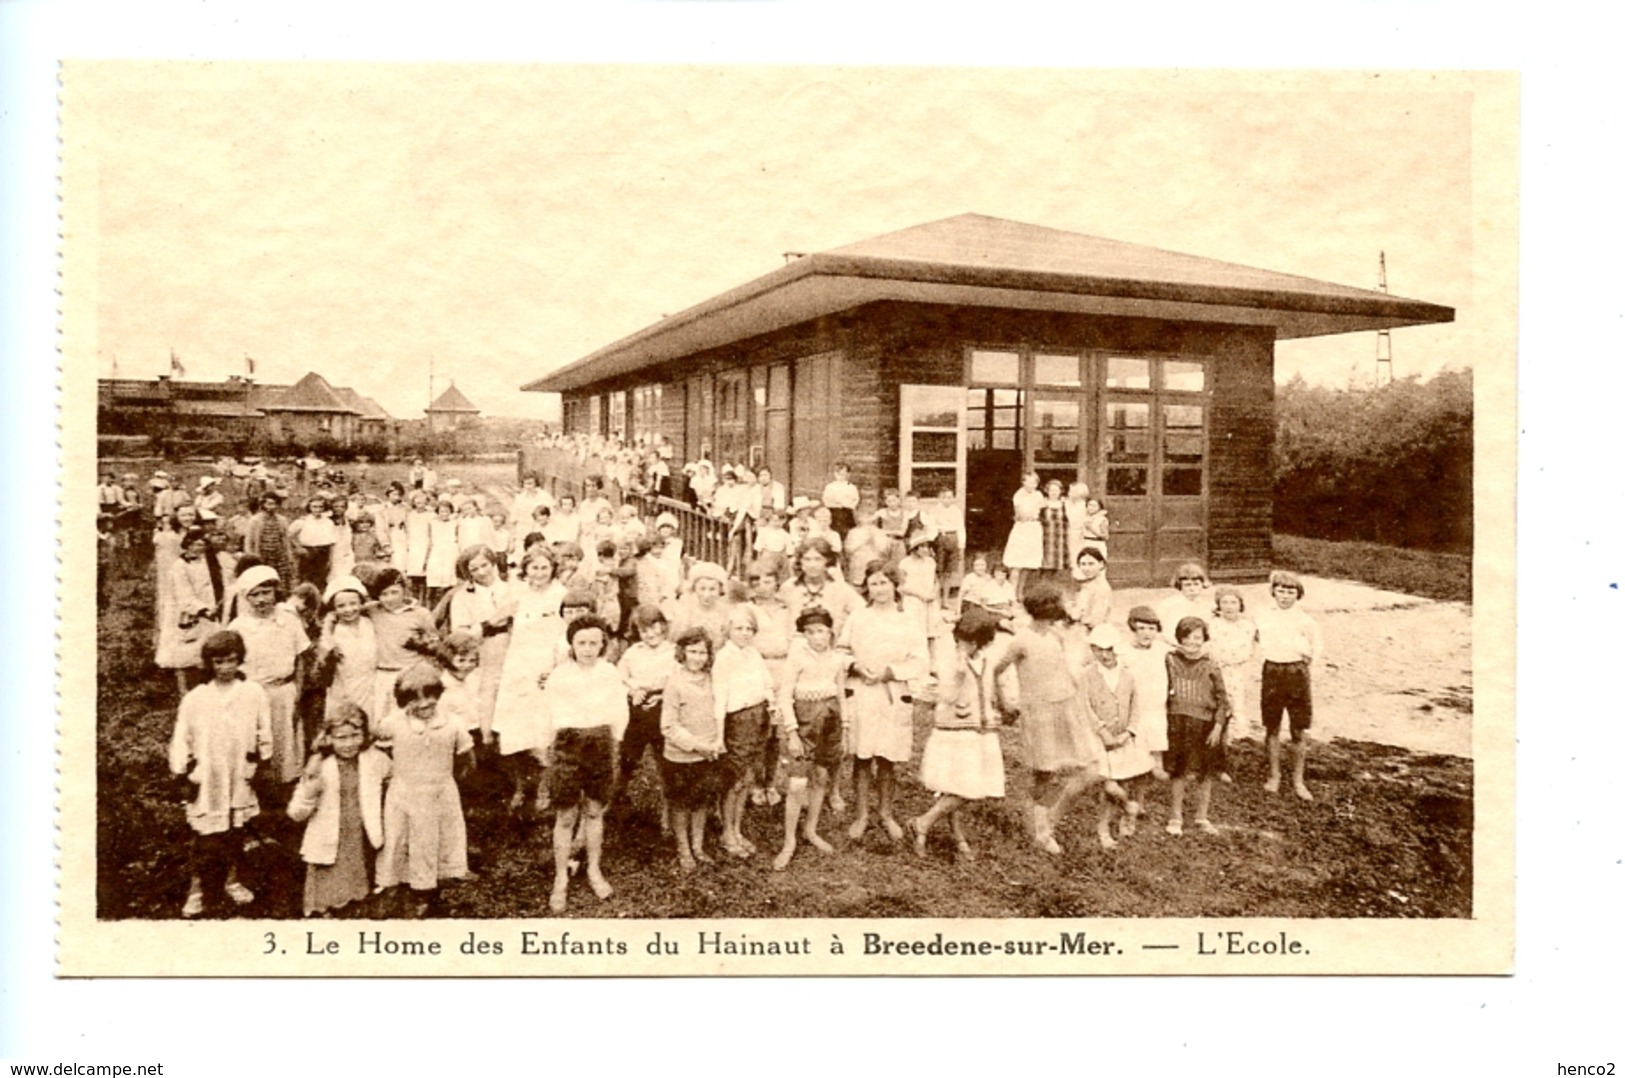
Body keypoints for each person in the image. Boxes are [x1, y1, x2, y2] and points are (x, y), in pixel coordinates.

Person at [169, 630, 273, 917]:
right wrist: (184, 772)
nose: (226, 668)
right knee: (205, 838)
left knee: (236, 832)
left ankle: (232, 879)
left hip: (240, 775)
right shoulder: (196, 698)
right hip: (208, 777)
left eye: (231, 660)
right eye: (219, 662)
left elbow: (264, 730)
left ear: (239, 660)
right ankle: (197, 889)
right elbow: (182, 737)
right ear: (209, 664)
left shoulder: (253, 693)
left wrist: (258, 763)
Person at [992, 584, 1103, 855]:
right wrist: (1005, 703)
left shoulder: (1057, 635)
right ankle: (1041, 830)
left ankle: (1051, 818)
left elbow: (1064, 671)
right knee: (1046, 774)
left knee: (1091, 771)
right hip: (1039, 712)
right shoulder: (1021, 640)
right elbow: (996, 670)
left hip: (1066, 707)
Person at [542, 614, 629, 912]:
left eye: (594, 643)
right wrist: (548, 746)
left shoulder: (609, 673)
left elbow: (620, 710)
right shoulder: (559, 676)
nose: (588, 649)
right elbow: (547, 713)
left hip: (601, 744)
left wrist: (614, 741)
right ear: (572, 644)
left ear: (603, 644)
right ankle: (560, 879)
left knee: (594, 811)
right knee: (566, 815)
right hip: (568, 745)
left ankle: (593, 869)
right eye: (582, 643)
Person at [839, 561, 930, 843]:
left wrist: (890, 672)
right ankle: (862, 814)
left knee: (887, 757)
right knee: (863, 756)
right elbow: (841, 651)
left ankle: (886, 812)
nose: (878, 589)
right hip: (863, 692)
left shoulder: (908, 619)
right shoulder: (858, 617)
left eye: (884, 583)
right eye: (873, 583)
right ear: (866, 586)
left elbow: (920, 660)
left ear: (895, 585)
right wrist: (855, 666)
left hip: (892, 693)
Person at [375, 663, 475, 917]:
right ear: (402, 702)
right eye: (414, 700)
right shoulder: (393, 724)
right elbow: (379, 749)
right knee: (397, 838)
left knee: (431, 841)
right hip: (404, 792)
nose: (423, 705)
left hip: (439, 792)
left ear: (439, 695)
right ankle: (391, 885)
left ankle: (424, 890)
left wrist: (447, 781)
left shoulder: (451, 723)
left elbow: (467, 756)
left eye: (430, 698)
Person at [909, 607, 1005, 861]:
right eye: (962, 640)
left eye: (972, 642)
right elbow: (946, 697)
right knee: (963, 786)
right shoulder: (949, 662)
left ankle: (954, 831)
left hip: (980, 730)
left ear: (982, 642)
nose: (966, 646)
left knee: (964, 784)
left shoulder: (986, 661)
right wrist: (957, 675)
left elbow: (989, 690)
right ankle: (923, 823)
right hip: (954, 730)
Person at [287, 706, 390, 917]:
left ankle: (356, 907)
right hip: (330, 835)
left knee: (360, 883)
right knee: (329, 889)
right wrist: (309, 793)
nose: (349, 743)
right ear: (328, 738)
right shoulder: (320, 766)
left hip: (361, 835)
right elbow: (295, 813)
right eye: (341, 737)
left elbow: (395, 777)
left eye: (355, 736)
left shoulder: (375, 759)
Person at [490, 547, 567, 818]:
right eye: (534, 567)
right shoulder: (517, 594)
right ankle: (521, 787)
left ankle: (545, 788)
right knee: (514, 731)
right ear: (526, 570)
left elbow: (565, 633)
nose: (539, 573)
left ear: (553, 569)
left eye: (544, 567)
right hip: (517, 667)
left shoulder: (560, 595)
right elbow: (494, 620)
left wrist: (557, 667)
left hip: (546, 668)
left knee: (543, 732)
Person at [771, 606, 846, 869]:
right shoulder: (796, 658)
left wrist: (844, 727)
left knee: (821, 777)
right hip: (803, 724)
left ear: (830, 632)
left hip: (830, 722)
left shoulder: (837, 658)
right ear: (803, 635)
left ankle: (810, 829)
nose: (816, 637)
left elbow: (839, 692)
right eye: (810, 632)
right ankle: (789, 840)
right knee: (797, 784)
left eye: (821, 631)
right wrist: (791, 733)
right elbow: (784, 696)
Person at [227, 565, 312, 789]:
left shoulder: (289, 620)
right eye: (255, 595)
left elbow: (301, 658)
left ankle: (285, 786)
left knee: (285, 739)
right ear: (246, 598)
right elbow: (232, 665)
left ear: (276, 592)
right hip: (253, 692)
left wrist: (298, 694)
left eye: (266, 593)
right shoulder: (239, 626)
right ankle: (255, 786)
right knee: (255, 739)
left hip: (284, 691)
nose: (262, 600)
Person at [1078, 624, 1152, 849]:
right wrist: (1102, 732)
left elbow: (1137, 705)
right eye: (1099, 649)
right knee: (1109, 785)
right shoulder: (1087, 676)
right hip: (1099, 740)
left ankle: (1121, 819)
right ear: (1092, 650)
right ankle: (1126, 807)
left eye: (1109, 649)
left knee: (1123, 779)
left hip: (1123, 738)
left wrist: (1129, 732)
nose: (1105, 654)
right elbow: (1084, 707)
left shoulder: (1128, 675)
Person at [659, 628, 725, 871]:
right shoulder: (675, 683)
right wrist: (698, 745)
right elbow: (668, 726)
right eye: (692, 652)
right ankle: (683, 848)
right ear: (682, 653)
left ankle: (698, 846)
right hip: (680, 756)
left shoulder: (712, 679)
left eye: (703, 653)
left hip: (707, 754)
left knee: (700, 801)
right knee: (681, 803)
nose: (697, 658)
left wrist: (714, 743)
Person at [1256, 571, 1323, 801]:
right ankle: (1274, 775)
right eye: (1281, 591)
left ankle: (1298, 779)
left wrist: (1305, 663)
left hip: (1296, 673)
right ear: (1273, 592)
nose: (1285, 596)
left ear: (1298, 595)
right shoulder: (1263, 616)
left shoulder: (1305, 620)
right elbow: (1253, 637)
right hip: (1272, 671)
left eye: (1290, 592)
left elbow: (1316, 648)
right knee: (1272, 726)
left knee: (1298, 728)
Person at [1163, 616, 1231, 835]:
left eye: (1198, 638)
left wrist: (1218, 727)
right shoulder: (1170, 660)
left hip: (1205, 724)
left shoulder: (1211, 664)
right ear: (1180, 638)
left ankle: (1202, 817)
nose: (1192, 642)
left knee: (1205, 772)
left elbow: (1223, 700)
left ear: (1204, 639)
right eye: (1188, 637)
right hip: (1178, 722)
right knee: (1179, 770)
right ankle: (1176, 817)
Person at [446, 546, 517, 750]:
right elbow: (459, 634)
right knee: (482, 699)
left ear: (493, 564)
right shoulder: (462, 597)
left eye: (485, 565)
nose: (482, 572)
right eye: (474, 569)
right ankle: (485, 744)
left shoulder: (513, 589)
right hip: (482, 652)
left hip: (511, 649)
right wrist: (489, 623)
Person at [616, 605, 678, 817]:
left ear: (663, 626)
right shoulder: (633, 653)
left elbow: (678, 682)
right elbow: (619, 678)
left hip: (663, 708)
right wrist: (632, 690)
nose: (650, 634)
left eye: (654, 628)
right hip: (637, 710)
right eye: (643, 631)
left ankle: (668, 810)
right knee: (628, 756)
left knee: (666, 761)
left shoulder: (672, 652)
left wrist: (662, 696)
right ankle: (618, 798)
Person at [363, 568, 441, 731]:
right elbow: (348, 611)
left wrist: (419, 644)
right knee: (382, 719)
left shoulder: (420, 613)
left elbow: (436, 645)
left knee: (411, 719)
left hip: (410, 673)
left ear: (405, 591)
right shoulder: (373, 610)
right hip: (383, 673)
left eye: (394, 592)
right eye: (384, 594)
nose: (389, 598)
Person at [161, 527, 226, 694]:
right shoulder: (179, 566)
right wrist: (203, 610)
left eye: (203, 545)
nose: (200, 548)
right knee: (185, 653)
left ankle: (209, 686)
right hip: (190, 614)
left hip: (210, 611)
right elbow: (184, 595)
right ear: (188, 545)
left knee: (208, 650)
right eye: (197, 545)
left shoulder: (207, 561)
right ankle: (184, 691)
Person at [1206, 586, 1257, 786]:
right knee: (1213, 716)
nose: (1228, 607)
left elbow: (1251, 649)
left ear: (1240, 605)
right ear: (1218, 606)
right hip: (1215, 673)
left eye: (1233, 602)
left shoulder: (1248, 627)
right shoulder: (1212, 625)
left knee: (1229, 716)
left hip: (1236, 675)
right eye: (1224, 602)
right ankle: (1208, 762)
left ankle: (1222, 763)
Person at [317, 575, 380, 732]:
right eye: (341, 606)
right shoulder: (332, 632)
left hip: (371, 688)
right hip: (343, 689)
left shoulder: (370, 623)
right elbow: (324, 669)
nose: (348, 610)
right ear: (334, 609)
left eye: (353, 603)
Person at [1120, 605, 1172, 782]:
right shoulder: (1123, 651)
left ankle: (1156, 764)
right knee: (1136, 736)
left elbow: (1181, 650)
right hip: (1134, 705)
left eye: (1151, 629)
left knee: (1156, 732)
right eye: (1141, 628)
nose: (1146, 633)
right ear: (1132, 628)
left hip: (1156, 704)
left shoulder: (1162, 649)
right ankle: (1135, 767)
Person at [780, 538, 860, 636]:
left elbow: (863, 614)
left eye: (818, 559)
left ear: (827, 561)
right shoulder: (788, 588)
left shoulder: (841, 589)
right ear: (800, 562)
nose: (812, 565)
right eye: (807, 559)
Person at [667, 559, 733, 650]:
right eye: (702, 589)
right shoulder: (686, 613)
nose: (707, 594)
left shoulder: (726, 613)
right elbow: (675, 642)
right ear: (694, 589)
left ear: (720, 590)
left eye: (712, 589)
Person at [1002, 472, 1044, 598]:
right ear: (1023, 482)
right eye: (1028, 482)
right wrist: (1038, 506)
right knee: (1016, 564)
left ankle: (1020, 592)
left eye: (1034, 482)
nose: (1032, 485)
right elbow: (1022, 516)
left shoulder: (1039, 494)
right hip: (1022, 530)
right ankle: (1011, 594)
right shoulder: (1019, 495)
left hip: (1034, 529)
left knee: (1028, 564)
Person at [287, 495, 337, 592]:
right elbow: (288, 535)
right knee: (306, 579)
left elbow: (331, 542)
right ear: (309, 507)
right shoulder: (303, 521)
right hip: (308, 553)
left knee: (321, 579)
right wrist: (298, 547)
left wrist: (330, 559)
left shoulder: (328, 522)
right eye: (314, 507)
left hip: (323, 553)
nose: (317, 509)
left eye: (320, 507)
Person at [926, 486, 965, 603]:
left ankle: (945, 599)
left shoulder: (956, 511)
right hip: (940, 538)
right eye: (944, 497)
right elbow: (931, 527)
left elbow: (961, 529)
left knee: (948, 572)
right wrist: (930, 544)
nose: (947, 500)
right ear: (939, 498)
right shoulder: (934, 510)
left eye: (949, 497)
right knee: (939, 570)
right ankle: (936, 598)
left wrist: (961, 547)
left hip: (953, 539)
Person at [1159, 563, 1212, 647]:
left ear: (1202, 584)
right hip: (1175, 645)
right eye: (1187, 585)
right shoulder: (1169, 604)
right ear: (1180, 586)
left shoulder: (1208, 606)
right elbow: (1164, 631)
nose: (1192, 588)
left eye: (1196, 584)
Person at [424, 498, 460, 608]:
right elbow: (430, 540)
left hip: (450, 552)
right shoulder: (433, 523)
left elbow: (457, 538)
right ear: (437, 512)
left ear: (450, 512)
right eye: (441, 511)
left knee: (448, 579)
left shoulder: (455, 523)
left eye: (447, 511)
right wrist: (427, 557)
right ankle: (430, 606)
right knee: (433, 579)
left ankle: (447, 605)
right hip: (437, 552)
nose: (444, 514)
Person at [403, 490, 434, 602]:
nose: (420, 503)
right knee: (414, 576)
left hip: (425, 545)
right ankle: (414, 601)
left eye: (423, 501)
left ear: (427, 502)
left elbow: (432, 533)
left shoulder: (431, 515)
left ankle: (425, 601)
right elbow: (407, 531)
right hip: (413, 546)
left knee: (425, 576)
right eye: (417, 501)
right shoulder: (410, 515)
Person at [821, 462, 859, 540]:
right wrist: (835, 503)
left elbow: (855, 500)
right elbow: (826, 500)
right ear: (835, 474)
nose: (841, 477)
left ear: (848, 474)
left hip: (846, 513)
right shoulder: (830, 487)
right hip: (833, 512)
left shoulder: (851, 487)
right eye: (839, 474)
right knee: (834, 531)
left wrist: (845, 503)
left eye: (844, 474)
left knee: (847, 532)